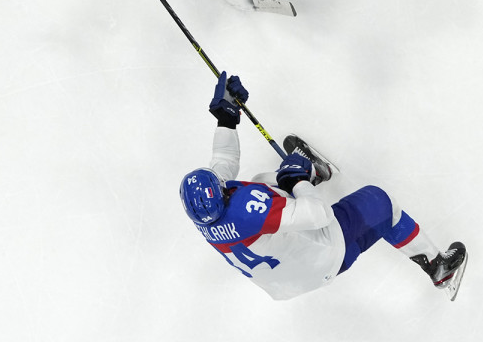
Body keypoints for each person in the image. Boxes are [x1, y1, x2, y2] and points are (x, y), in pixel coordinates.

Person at [179, 72, 467, 301]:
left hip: (284, 281)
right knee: (381, 203)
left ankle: (311, 172)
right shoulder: (247, 209)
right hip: (324, 260)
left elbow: (223, 162)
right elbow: (319, 215)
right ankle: (438, 267)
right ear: (222, 196)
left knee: (261, 181)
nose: (222, 181)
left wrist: (227, 120)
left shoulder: (204, 212)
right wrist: (299, 182)